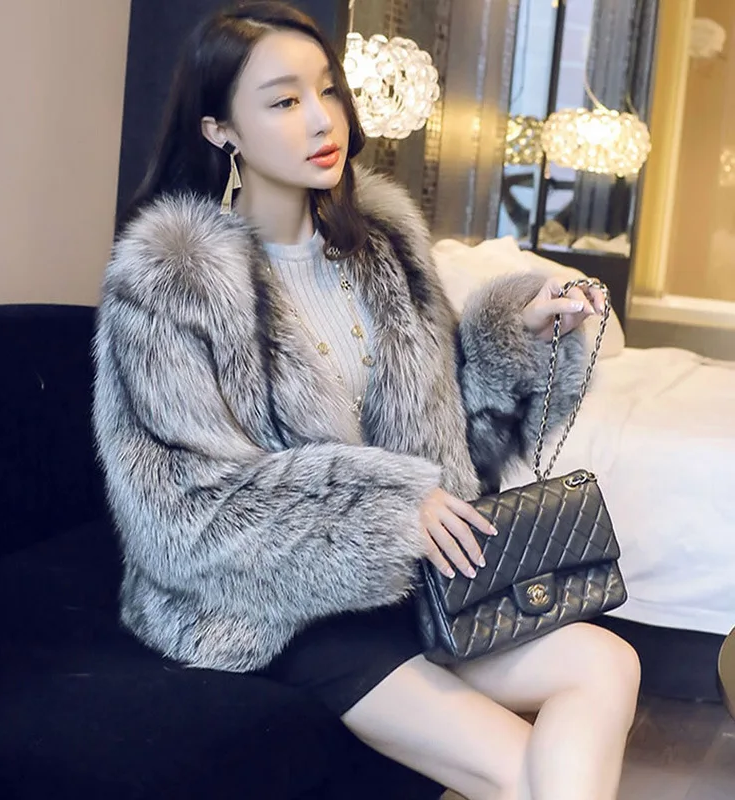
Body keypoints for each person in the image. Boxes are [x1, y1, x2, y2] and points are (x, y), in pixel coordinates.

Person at [92, 3, 641, 798]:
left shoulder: (385, 247)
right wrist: (387, 510)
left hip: (416, 587)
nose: (323, 119)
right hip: (274, 610)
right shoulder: (169, 284)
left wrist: (515, 337)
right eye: (284, 101)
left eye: (327, 90)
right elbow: (182, 516)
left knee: (610, 663)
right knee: (526, 771)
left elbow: (459, 445)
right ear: (220, 130)